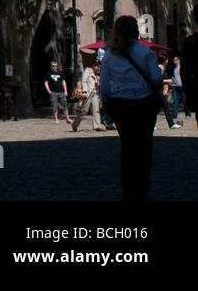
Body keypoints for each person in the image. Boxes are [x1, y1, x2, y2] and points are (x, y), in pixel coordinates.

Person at [100, 15, 165, 201]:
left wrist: (107, 102)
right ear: (135, 30)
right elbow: (156, 78)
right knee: (144, 146)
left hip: (121, 105)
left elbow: (104, 84)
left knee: (127, 145)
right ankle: (142, 185)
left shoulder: (110, 55)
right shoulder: (144, 52)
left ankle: (128, 184)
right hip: (144, 104)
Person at [71, 63, 104, 132]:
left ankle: (97, 126)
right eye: (97, 67)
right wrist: (85, 91)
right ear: (93, 66)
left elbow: (97, 84)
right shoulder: (88, 70)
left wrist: (99, 81)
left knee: (96, 109)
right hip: (88, 93)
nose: (98, 68)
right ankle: (74, 124)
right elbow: (84, 80)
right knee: (84, 111)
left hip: (95, 93)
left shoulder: (97, 74)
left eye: (99, 67)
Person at [165, 54, 187, 119]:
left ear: (179, 61)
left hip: (182, 86)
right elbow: (173, 78)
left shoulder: (182, 68)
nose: (174, 61)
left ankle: (188, 114)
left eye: (176, 60)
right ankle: (174, 115)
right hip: (175, 86)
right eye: (174, 60)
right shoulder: (174, 69)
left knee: (184, 100)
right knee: (175, 101)